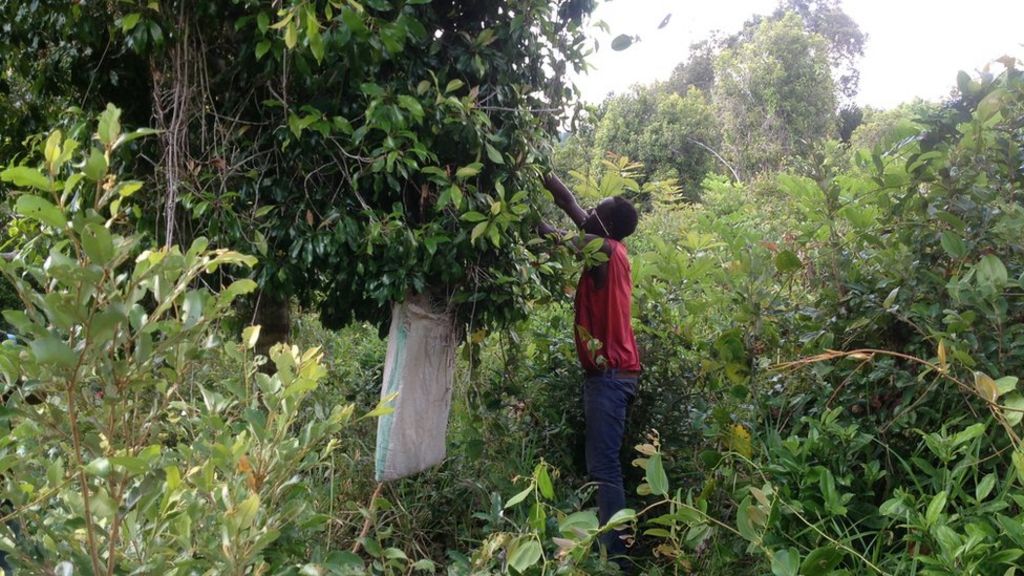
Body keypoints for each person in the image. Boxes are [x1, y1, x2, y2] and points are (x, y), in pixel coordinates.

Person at [539, 173, 641, 563]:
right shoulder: (611, 247)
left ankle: (616, 556)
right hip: (615, 375)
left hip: (610, 377)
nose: (590, 210)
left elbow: (554, 235)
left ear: (608, 225)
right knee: (605, 463)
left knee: (604, 467)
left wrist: (522, 215)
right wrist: (544, 174)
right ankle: (613, 548)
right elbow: (569, 205)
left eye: (598, 209)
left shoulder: (604, 252)